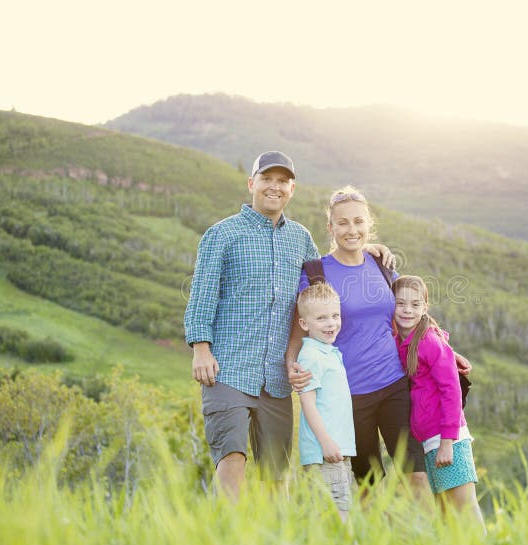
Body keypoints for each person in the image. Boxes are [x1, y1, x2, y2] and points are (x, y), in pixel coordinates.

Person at [184, 153, 392, 499]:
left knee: (276, 475)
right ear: (252, 183)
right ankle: (230, 536)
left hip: (278, 379)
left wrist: (362, 248)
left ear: (291, 190)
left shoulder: (300, 238)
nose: (274, 187)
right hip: (228, 367)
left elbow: (325, 272)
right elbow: (202, 296)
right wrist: (200, 349)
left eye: (282, 181)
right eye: (267, 179)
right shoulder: (222, 235)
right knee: (232, 457)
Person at [287, 186, 473, 495]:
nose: (351, 229)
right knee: (368, 484)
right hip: (350, 395)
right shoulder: (316, 273)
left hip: (394, 387)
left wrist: (445, 349)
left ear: (368, 225)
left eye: (358, 222)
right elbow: (299, 328)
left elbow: (410, 314)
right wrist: (291, 363)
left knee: (416, 475)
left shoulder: (382, 265)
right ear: (330, 228)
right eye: (343, 222)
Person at [392, 275, 485, 529]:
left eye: (414, 304)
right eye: (400, 304)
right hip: (428, 441)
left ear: (424, 308)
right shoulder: (401, 341)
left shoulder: (429, 341)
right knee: (445, 510)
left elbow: (451, 390)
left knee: (464, 505)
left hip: (448, 439)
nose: (407, 310)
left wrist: (447, 442)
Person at [295, 282, 356, 521]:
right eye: (321, 318)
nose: (331, 323)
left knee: (340, 516)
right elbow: (307, 404)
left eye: (335, 316)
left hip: (337, 450)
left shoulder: (330, 352)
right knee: (335, 520)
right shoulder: (311, 356)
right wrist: (326, 442)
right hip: (325, 452)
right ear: (304, 324)